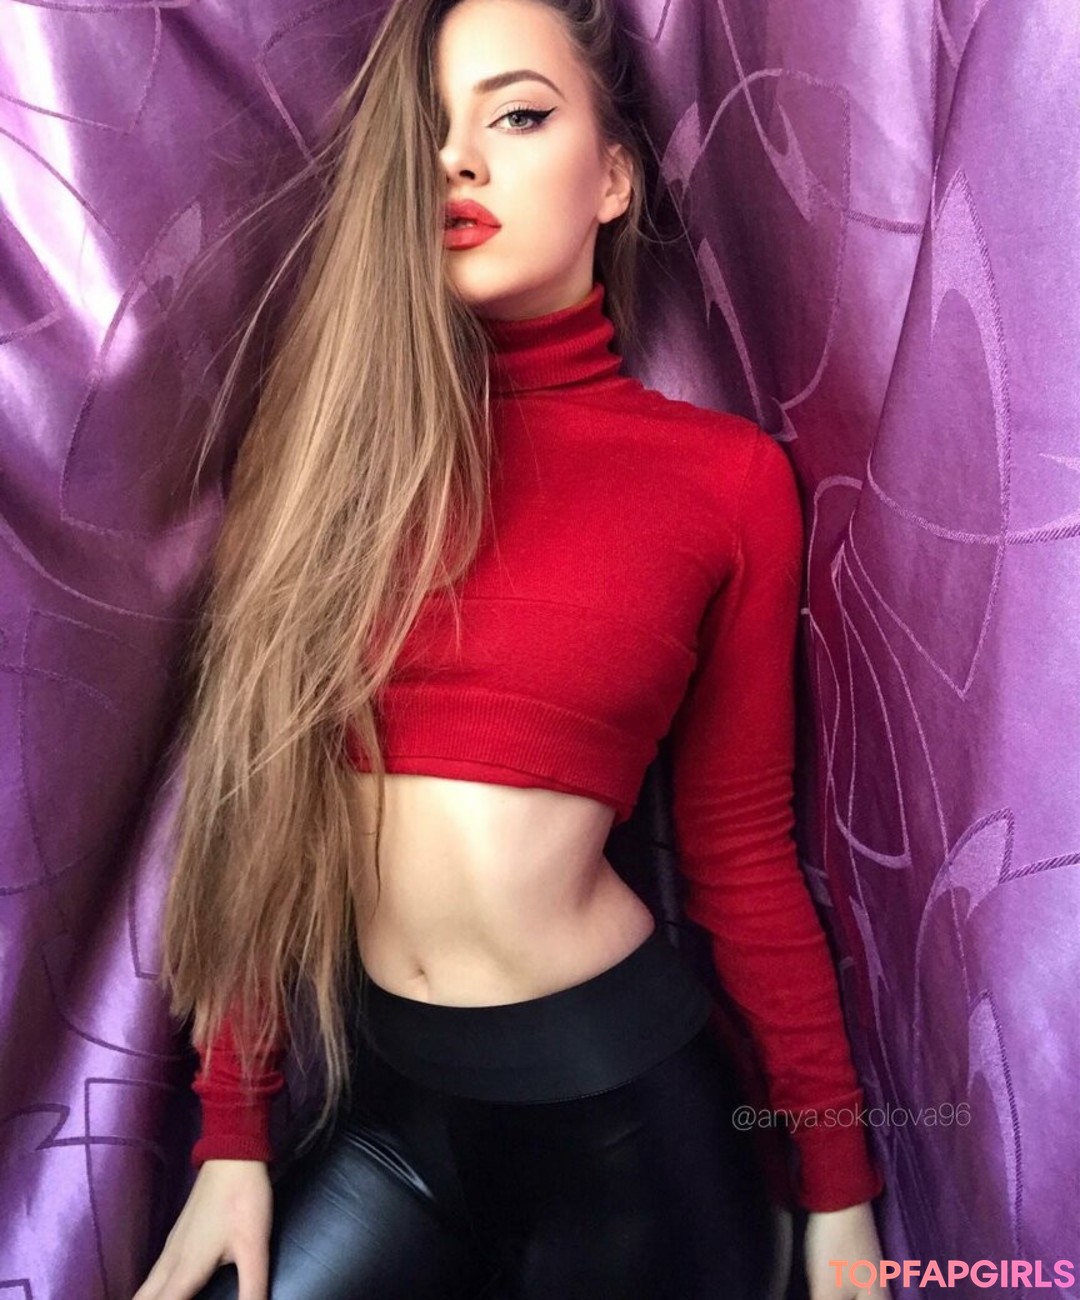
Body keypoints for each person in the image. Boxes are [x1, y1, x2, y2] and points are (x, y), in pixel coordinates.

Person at [132, 0, 891, 1295]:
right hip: (390, 1112)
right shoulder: (328, 457)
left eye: (520, 115)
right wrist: (233, 1139)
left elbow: (741, 856)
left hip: (632, 1133)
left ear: (613, 178)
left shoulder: (725, 482)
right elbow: (259, 807)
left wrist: (838, 1193)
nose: (458, 162)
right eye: (430, 131)